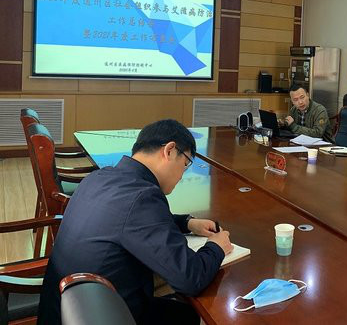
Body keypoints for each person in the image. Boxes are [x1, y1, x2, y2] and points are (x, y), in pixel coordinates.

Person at [38, 119, 233, 325]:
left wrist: (187, 223)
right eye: (185, 164)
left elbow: (129, 221)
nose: (182, 176)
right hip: (106, 315)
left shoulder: (99, 177)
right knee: (192, 315)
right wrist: (216, 247)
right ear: (169, 150)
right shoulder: (143, 197)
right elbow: (190, 278)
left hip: (65, 312)